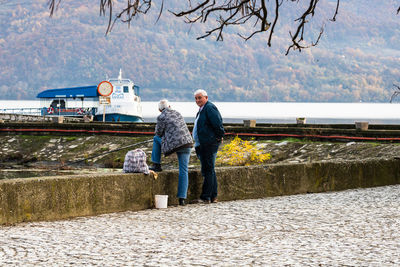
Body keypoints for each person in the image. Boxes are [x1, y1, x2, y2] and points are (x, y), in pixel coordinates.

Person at [149, 99, 194, 206]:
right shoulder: (177, 113)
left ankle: (156, 164)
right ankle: (182, 199)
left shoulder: (161, 117)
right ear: (170, 106)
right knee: (184, 170)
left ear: (159, 109)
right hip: (187, 143)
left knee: (155, 139)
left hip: (175, 145)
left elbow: (158, 133)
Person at [192, 89, 225, 203]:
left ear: (206, 97)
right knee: (209, 170)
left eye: (200, 97)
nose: (197, 100)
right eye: (196, 98)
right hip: (202, 144)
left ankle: (205, 196)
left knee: (208, 170)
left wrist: (217, 137)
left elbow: (218, 124)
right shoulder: (201, 110)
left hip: (209, 144)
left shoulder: (209, 108)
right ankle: (213, 196)